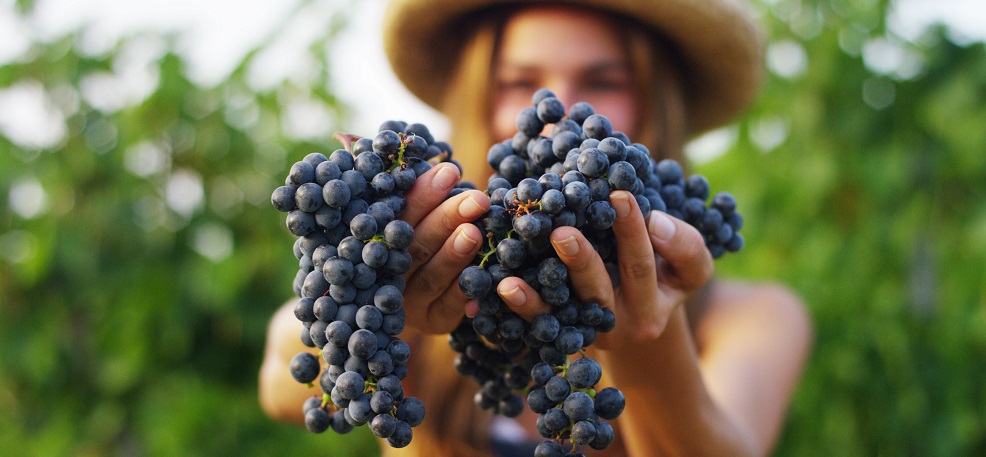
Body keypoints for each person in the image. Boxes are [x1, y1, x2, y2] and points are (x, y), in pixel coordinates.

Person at [259, 0, 812, 456]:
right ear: (476, 95)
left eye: (604, 79)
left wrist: (648, 344)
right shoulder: (443, 250)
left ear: (655, 102)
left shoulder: (753, 316)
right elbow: (284, 379)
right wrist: (395, 304)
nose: (557, 108)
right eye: (518, 80)